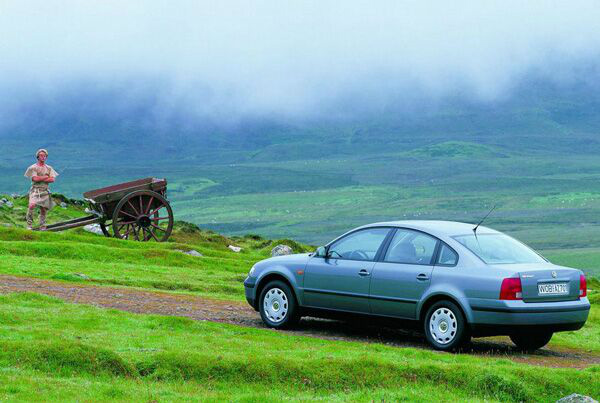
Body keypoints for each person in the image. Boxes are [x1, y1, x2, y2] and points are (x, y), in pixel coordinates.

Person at [24, 149, 58, 230]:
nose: (43, 157)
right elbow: (35, 179)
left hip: (45, 190)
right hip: (35, 190)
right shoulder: (33, 167)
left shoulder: (49, 168)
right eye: (41, 156)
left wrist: (41, 178)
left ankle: (42, 225)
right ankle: (29, 225)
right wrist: (46, 177)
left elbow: (52, 179)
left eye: (45, 156)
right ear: (38, 157)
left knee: (43, 209)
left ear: (46, 157)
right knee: (31, 205)